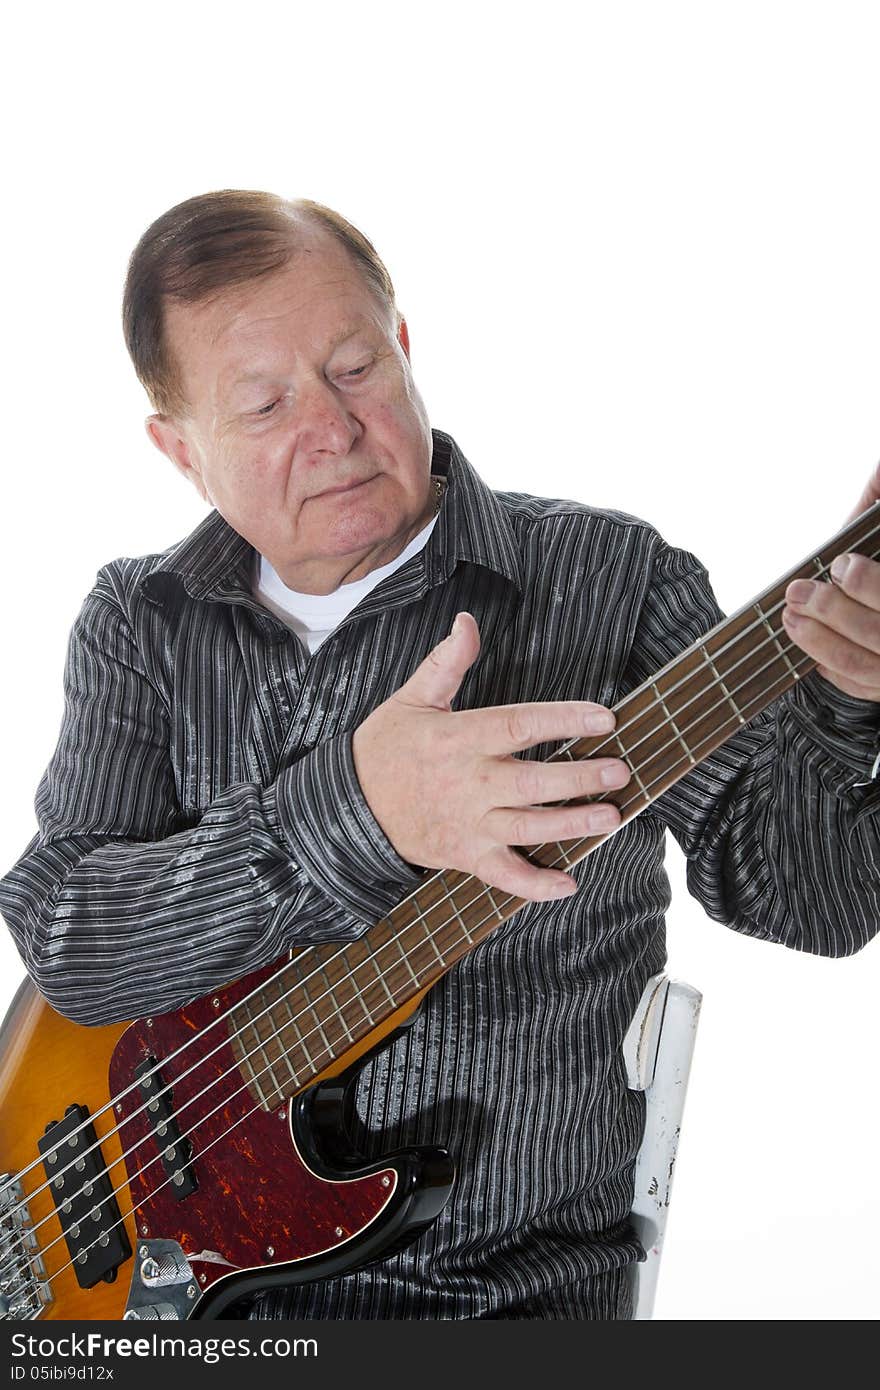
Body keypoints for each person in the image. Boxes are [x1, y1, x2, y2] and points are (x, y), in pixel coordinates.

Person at [1, 190, 878, 1321]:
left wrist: (846, 701)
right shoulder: (139, 621)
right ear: (180, 450)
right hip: (178, 1311)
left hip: (502, 1302)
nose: (332, 427)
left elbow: (816, 901)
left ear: (406, 349)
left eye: (356, 368)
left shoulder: (610, 578)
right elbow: (75, 943)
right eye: (264, 404)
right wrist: (356, 813)